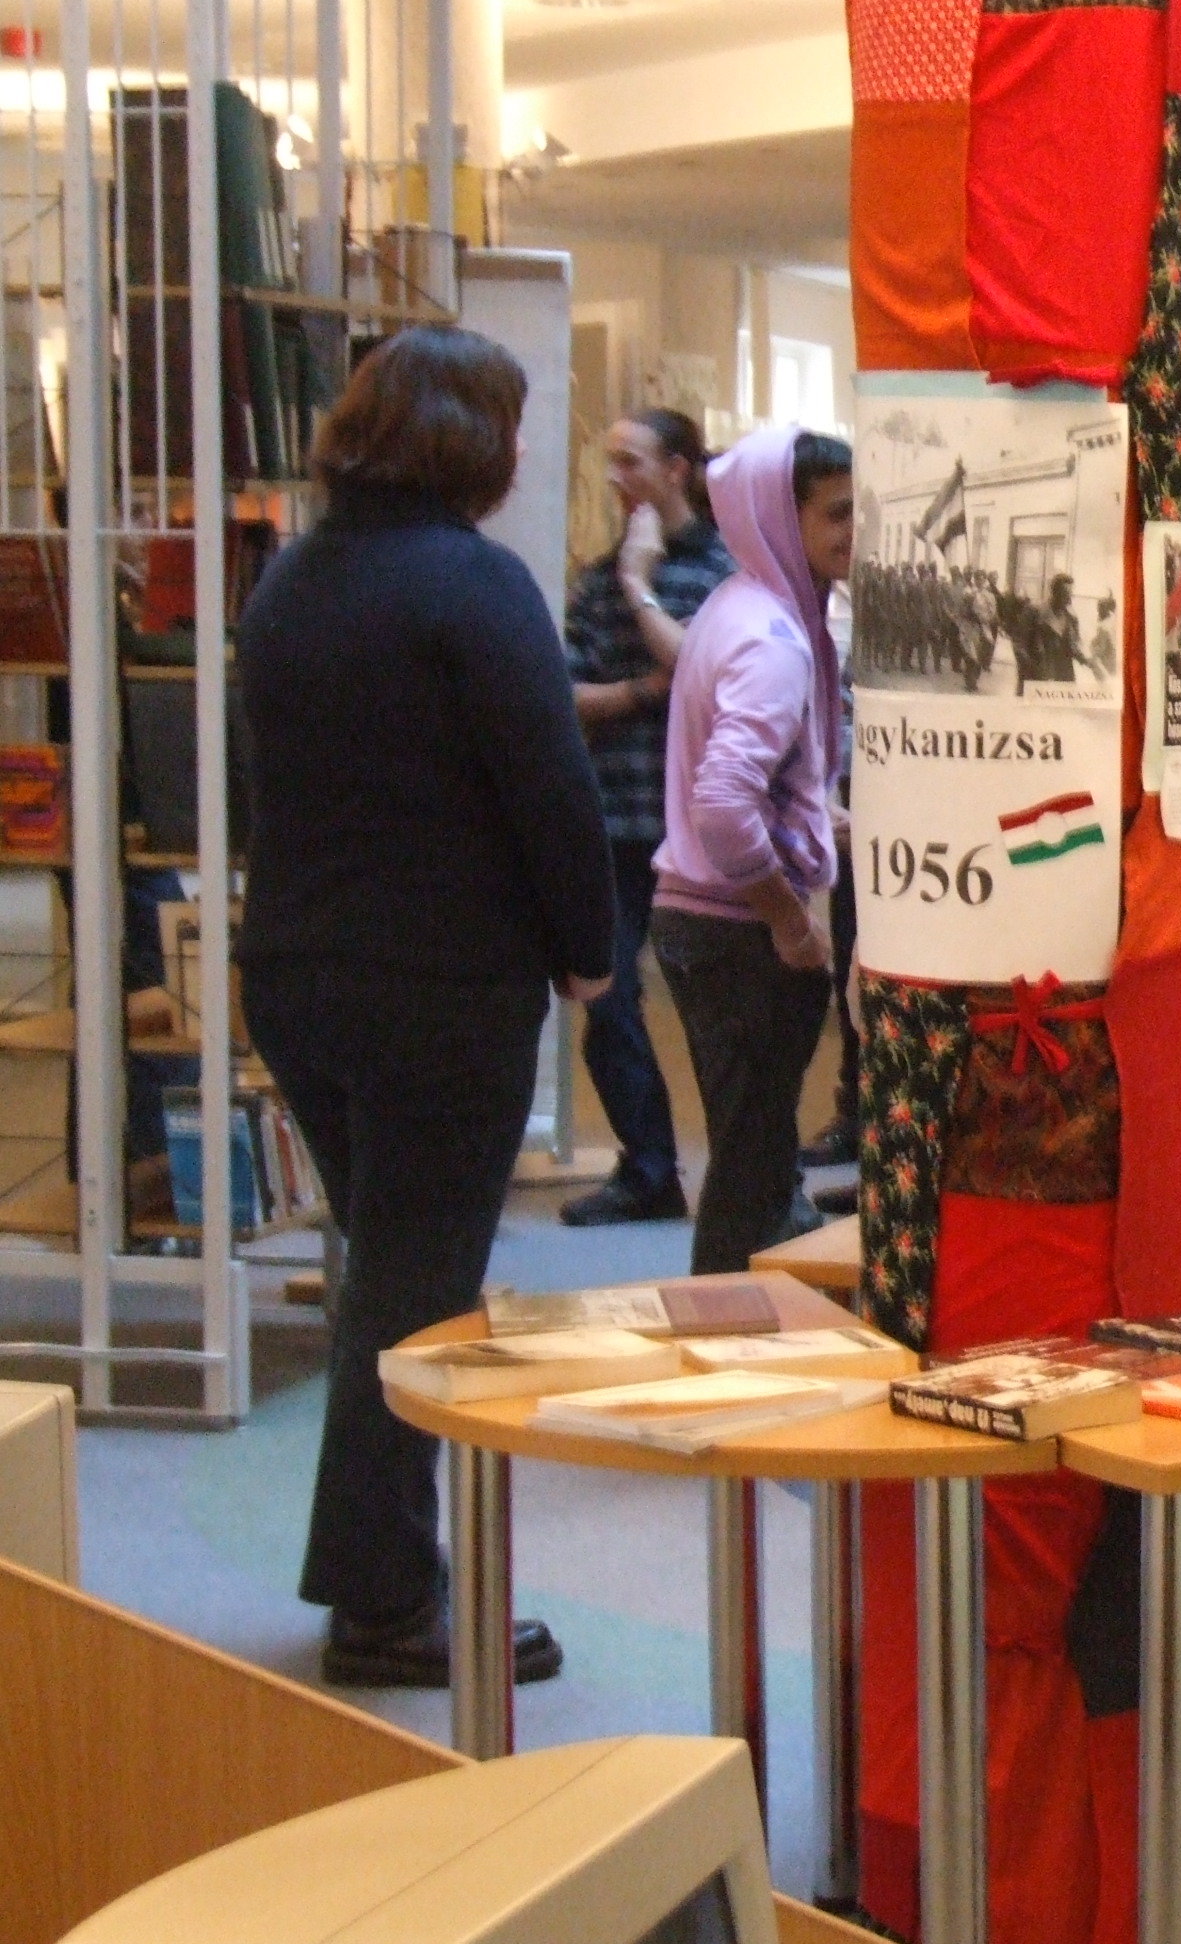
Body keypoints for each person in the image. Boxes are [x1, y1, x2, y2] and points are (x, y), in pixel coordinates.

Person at [237, 325, 615, 1687]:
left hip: (296, 973)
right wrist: (588, 951)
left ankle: (387, 1571)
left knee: (385, 1274)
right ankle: (387, 1603)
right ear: (471, 442)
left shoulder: (290, 582)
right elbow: (551, 789)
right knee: (415, 1295)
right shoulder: (475, 585)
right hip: (440, 989)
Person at [652, 427, 853, 1276]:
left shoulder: (738, 606)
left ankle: (735, 1330)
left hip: (707, 923)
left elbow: (745, 782)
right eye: (837, 513)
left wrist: (814, 820)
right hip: (737, 934)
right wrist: (788, 921)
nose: (856, 532)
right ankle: (723, 1333)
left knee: (754, 1165)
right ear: (779, 515)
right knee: (748, 1179)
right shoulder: (773, 638)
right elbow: (725, 805)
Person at [559, 410, 734, 1227]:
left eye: (630, 461)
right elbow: (566, 694)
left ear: (676, 469)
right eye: (612, 461)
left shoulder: (733, 570)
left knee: (723, 1009)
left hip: (707, 826)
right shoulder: (597, 582)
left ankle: (751, 1177)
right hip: (617, 820)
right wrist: (639, 692)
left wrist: (643, 586)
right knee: (608, 996)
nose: (615, 478)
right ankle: (649, 1170)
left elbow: (709, 669)